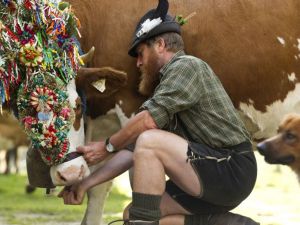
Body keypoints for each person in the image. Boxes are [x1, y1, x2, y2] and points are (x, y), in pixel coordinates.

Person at [59, 0, 259, 225]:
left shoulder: (186, 67)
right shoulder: (168, 87)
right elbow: (131, 150)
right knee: (133, 214)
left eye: (141, 53)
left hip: (230, 169)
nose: (138, 63)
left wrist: (106, 146)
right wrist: (86, 183)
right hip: (208, 172)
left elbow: (145, 127)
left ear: (161, 45)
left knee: (149, 140)